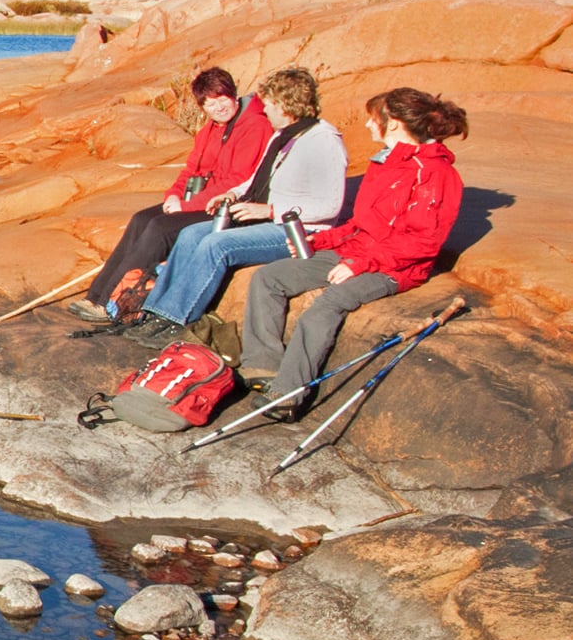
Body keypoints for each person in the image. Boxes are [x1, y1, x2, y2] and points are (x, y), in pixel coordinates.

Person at [239, 86, 469, 414]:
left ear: (393, 123)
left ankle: (288, 396)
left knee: (329, 301)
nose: (367, 126)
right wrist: (320, 241)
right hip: (357, 250)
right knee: (269, 278)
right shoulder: (386, 163)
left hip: (395, 267)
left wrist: (361, 263)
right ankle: (263, 367)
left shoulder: (435, 173)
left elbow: (422, 242)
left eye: (373, 119)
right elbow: (361, 224)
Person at [117, 67, 347, 337]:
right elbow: (254, 181)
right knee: (190, 235)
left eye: (269, 104)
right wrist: (233, 194)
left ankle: (174, 320)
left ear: (286, 105)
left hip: (297, 231)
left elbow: (330, 206)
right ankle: (155, 311)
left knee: (216, 244)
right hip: (261, 218)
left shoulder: (322, 141)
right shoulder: (282, 134)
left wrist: (270, 209)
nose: (264, 110)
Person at [65, 67, 270, 323]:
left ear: (233, 94)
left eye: (222, 99)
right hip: (200, 201)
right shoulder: (211, 129)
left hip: (229, 204)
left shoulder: (254, 125)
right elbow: (191, 170)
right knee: (141, 218)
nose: (218, 107)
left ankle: (114, 303)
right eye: (210, 103)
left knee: (161, 228)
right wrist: (174, 195)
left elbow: (237, 181)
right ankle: (96, 295)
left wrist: (187, 206)